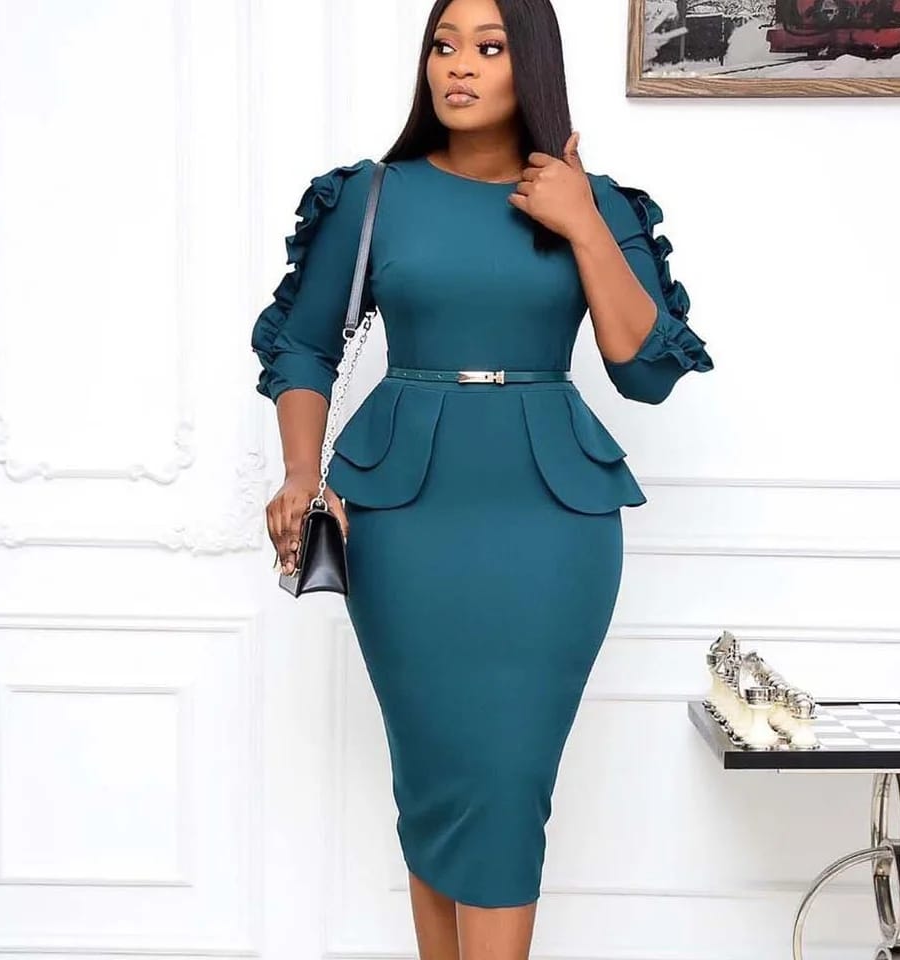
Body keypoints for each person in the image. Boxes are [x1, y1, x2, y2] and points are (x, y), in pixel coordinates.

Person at [251, 0, 714, 955]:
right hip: (403, 520)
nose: (459, 65)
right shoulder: (373, 196)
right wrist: (301, 472)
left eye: (489, 48)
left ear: (529, 64)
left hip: (552, 524)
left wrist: (582, 224)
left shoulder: (597, 202)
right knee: (434, 777)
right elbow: (303, 345)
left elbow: (645, 370)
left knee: (506, 780)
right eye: (444, 45)